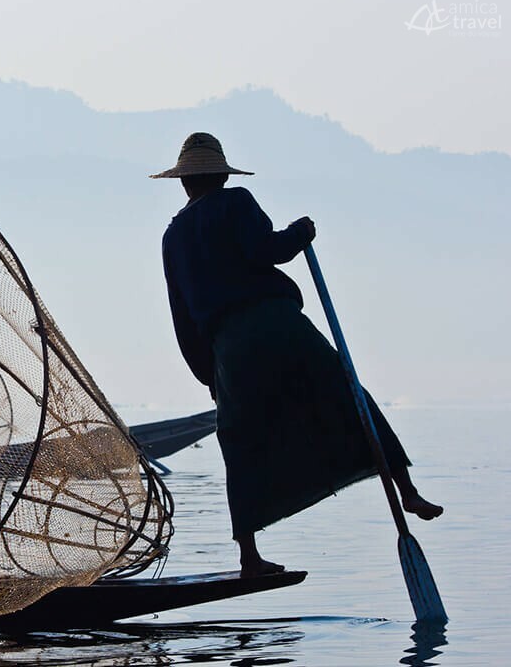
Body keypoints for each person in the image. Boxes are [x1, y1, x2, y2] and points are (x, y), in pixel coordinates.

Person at [153, 132, 443, 577]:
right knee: (349, 397)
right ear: (221, 175)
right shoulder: (236, 202)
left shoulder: (172, 237)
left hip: (228, 346)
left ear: (185, 183)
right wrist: (301, 232)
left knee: (239, 440)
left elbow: (183, 316)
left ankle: (249, 556)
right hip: (277, 324)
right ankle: (406, 490)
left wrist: (209, 374)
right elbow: (267, 250)